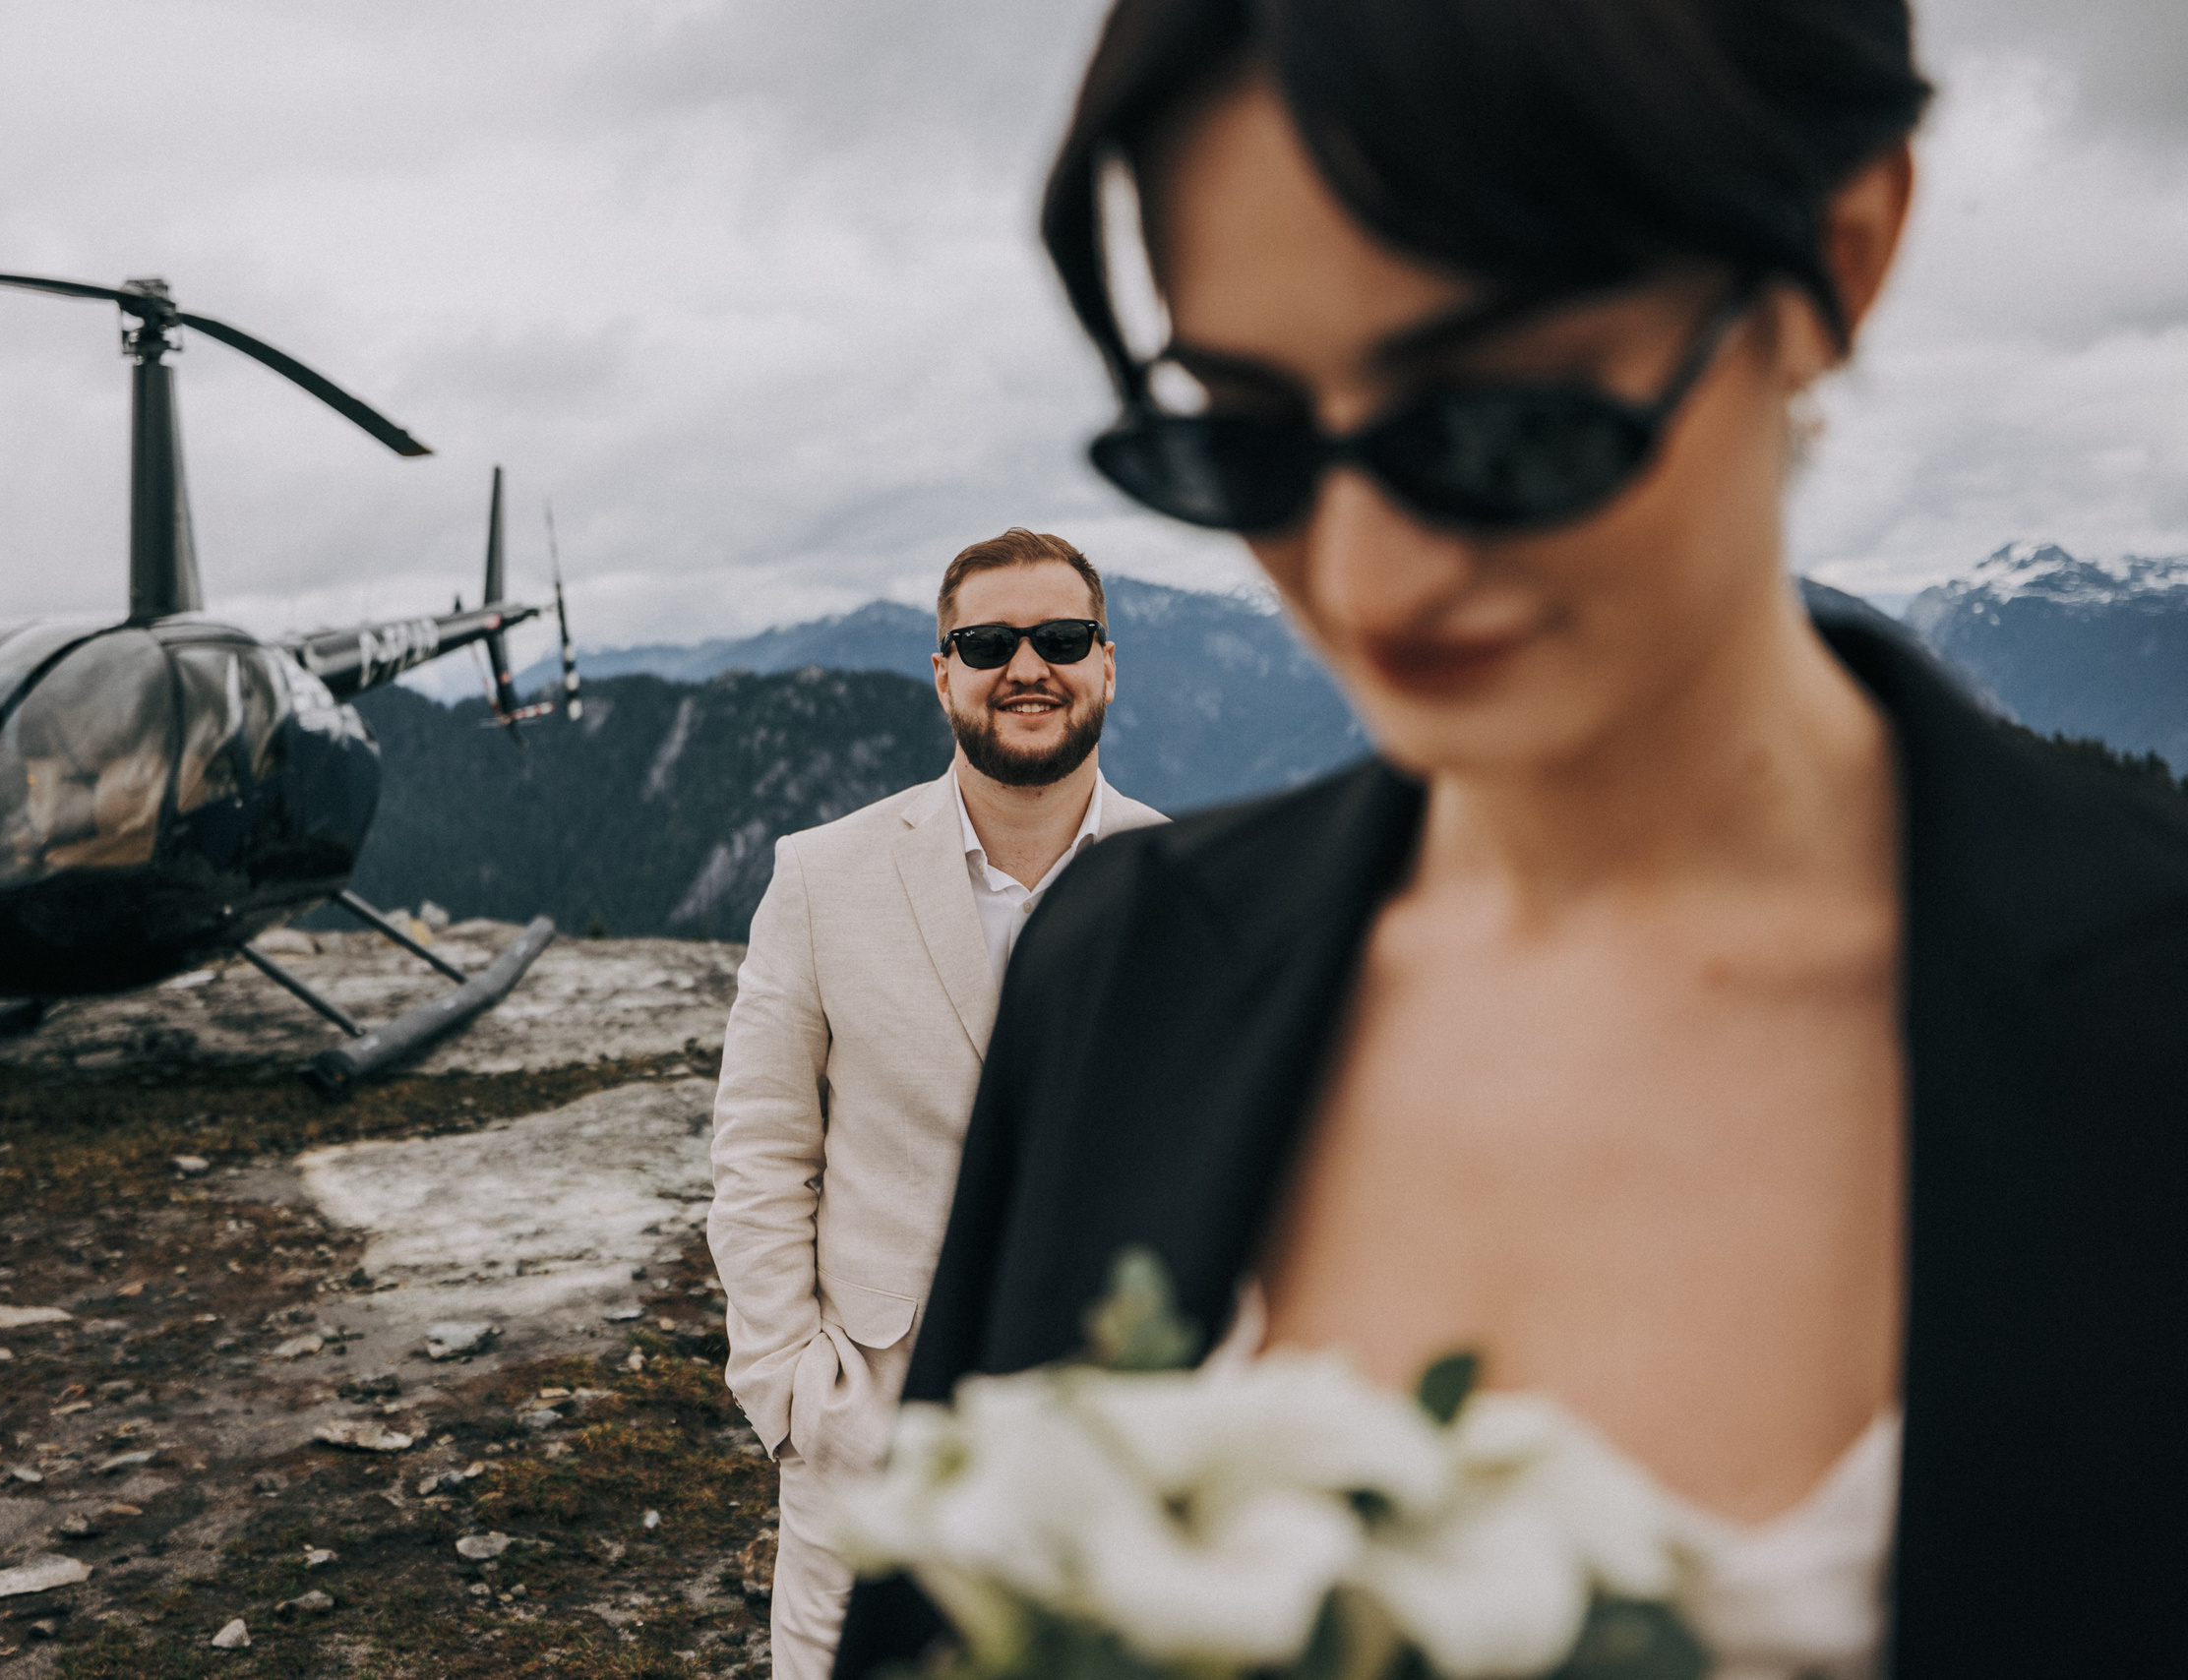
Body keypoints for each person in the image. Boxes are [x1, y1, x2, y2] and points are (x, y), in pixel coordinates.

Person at [836, 4, 2188, 1678]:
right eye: (1244, 437)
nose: (1369, 577)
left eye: (1498, 421)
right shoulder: (1123, 971)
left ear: (1840, 254)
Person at [708, 528, 1167, 1680]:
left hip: (1114, 1446)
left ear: (1106, 663)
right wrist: (793, 1394)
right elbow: (762, 1149)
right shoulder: (820, 877)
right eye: (988, 641)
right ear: (942, 670)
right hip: (871, 1436)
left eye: (1060, 638)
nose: (1027, 666)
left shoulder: (1183, 882)